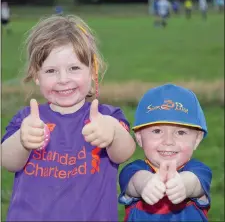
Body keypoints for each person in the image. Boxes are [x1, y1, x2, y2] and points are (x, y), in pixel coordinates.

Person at [1, 15, 136, 221]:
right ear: (37, 75)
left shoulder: (106, 117)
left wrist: (113, 132)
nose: (63, 79)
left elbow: (124, 153)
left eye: (74, 68)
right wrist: (22, 140)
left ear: (92, 70)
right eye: (51, 71)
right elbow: (8, 161)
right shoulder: (27, 120)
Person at [119, 84, 212, 221]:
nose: (168, 141)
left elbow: (194, 183)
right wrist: (147, 183)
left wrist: (182, 184)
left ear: (197, 139)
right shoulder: (133, 171)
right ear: (139, 137)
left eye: (181, 132)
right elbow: (135, 182)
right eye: (157, 131)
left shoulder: (199, 171)